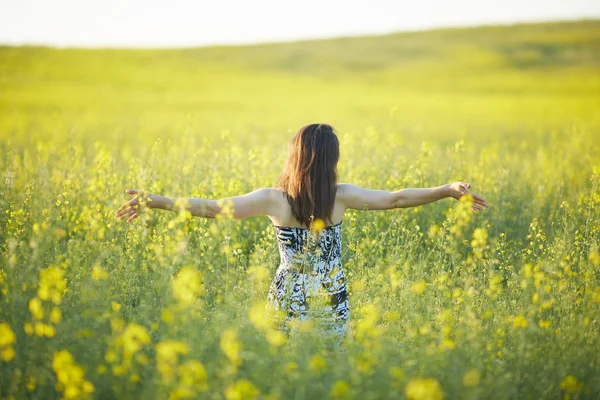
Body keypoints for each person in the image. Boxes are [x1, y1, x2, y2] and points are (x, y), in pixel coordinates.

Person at [115, 123, 488, 341]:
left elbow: (212, 209)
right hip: (331, 296)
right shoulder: (340, 198)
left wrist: (158, 201)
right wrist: (445, 191)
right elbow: (395, 199)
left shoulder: (274, 201)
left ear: (295, 158)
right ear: (331, 161)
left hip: (287, 296)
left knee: (285, 371)